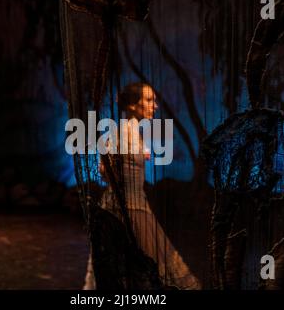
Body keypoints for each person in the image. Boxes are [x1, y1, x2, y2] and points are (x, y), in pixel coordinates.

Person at [84, 83, 201, 290]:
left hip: (134, 204)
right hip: (126, 208)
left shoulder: (132, 132)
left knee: (137, 265)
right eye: (148, 100)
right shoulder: (123, 134)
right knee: (137, 264)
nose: (154, 106)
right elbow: (104, 169)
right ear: (132, 105)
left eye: (154, 100)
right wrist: (123, 188)